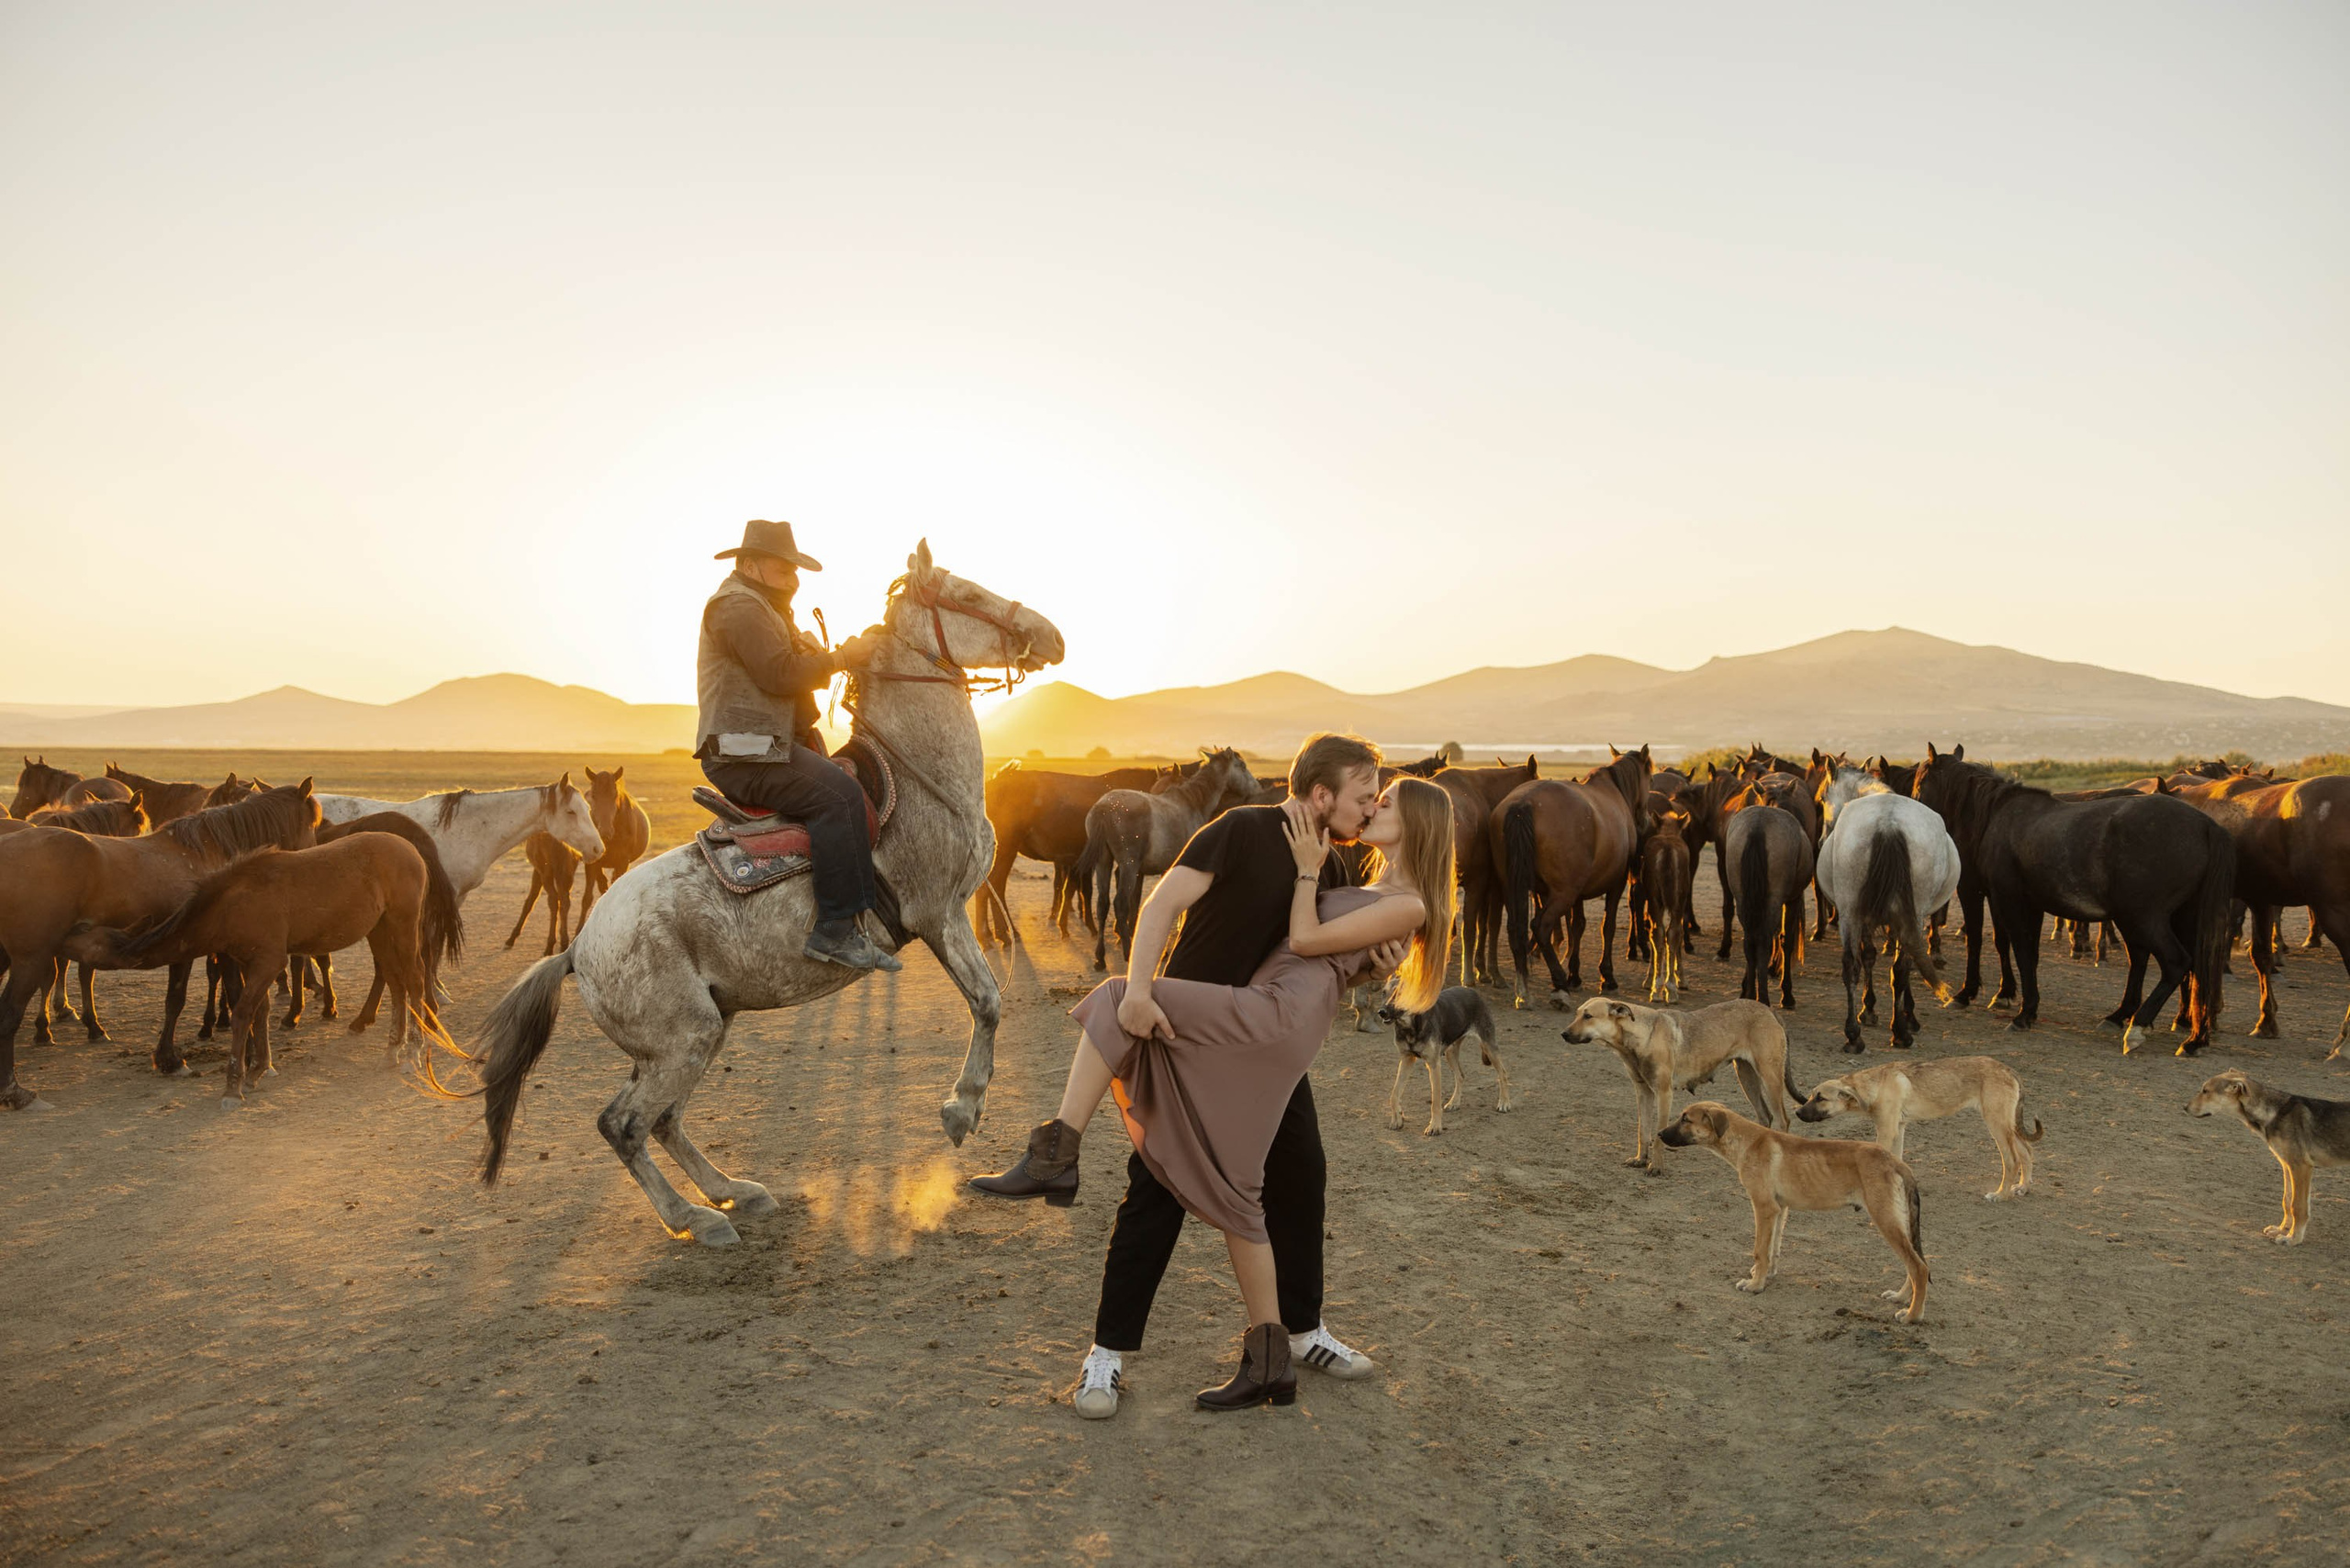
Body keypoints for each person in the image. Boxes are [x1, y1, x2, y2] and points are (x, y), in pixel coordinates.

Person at [975, 735, 1456, 1414]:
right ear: (1322, 795)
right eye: (1365, 795)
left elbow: (1320, 956)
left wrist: (1372, 966)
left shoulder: (1332, 866)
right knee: (1158, 1189)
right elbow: (1161, 906)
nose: (1372, 806)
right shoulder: (1241, 828)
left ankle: (1299, 1335)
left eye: (1382, 799)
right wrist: (1141, 989)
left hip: (1261, 1035)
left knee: (1301, 1177)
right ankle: (1107, 1355)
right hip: (1195, 1025)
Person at [695, 518, 899, 973]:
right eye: (784, 570)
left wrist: (825, 655)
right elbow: (779, 674)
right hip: (742, 753)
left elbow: (788, 670)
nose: (794, 581)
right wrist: (841, 658)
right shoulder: (739, 608)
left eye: (795, 571)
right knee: (840, 798)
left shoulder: (764, 609)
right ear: (750, 565)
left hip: (760, 746)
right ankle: (835, 930)